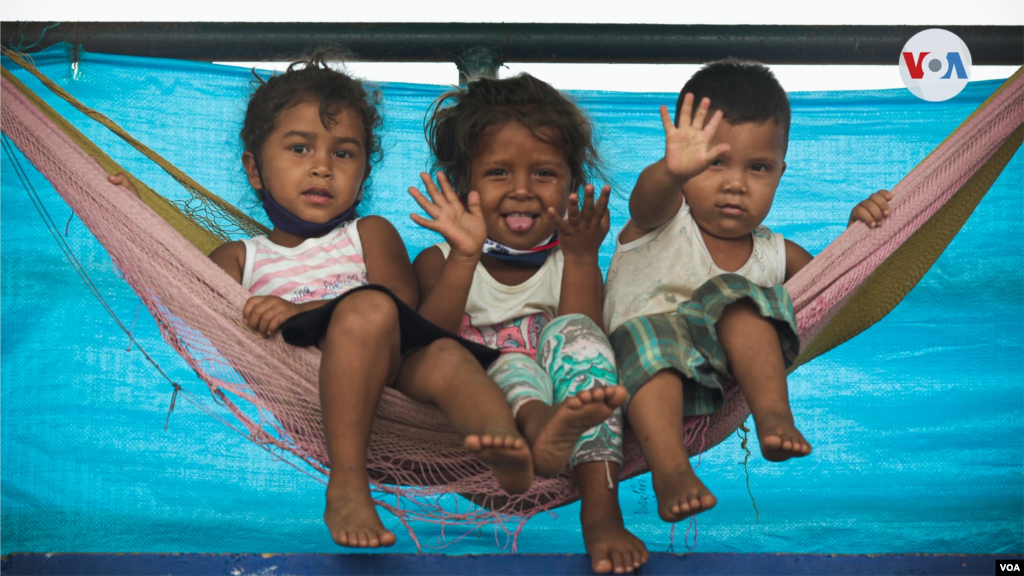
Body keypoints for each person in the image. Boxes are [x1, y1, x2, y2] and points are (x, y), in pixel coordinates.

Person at [111, 52, 534, 549]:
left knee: (446, 354)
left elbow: (402, 310)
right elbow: (186, 296)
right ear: (254, 169)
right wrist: (134, 223)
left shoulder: (369, 233)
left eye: (344, 154)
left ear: (364, 174)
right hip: (307, 385)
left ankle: (499, 446)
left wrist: (305, 311)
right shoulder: (241, 259)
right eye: (299, 148)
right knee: (366, 308)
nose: (321, 167)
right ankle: (348, 485)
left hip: (394, 372)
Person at [603, 59, 894, 524]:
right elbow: (645, 201)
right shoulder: (663, 218)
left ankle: (773, 416)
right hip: (639, 378)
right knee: (651, 337)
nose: (735, 184)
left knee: (738, 300)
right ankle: (671, 472)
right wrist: (670, 172)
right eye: (714, 162)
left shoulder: (776, 253)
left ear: (780, 173)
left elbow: (834, 289)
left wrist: (858, 233)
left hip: (717, 383)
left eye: (758, 167)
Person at [409, 74, 649, 574]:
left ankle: (601, 513)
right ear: (464, 184)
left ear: (570, 184)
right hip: (485, 423)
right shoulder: (438, 260)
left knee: (581, 341)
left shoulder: (570, 261)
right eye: (498, 172)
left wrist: (581, 258)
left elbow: (585, 339)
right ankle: (540, 429)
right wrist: (464, 255)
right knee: (510, 363)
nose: (522, 190)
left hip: (566, 406)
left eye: (543, 173)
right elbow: (421, 346)